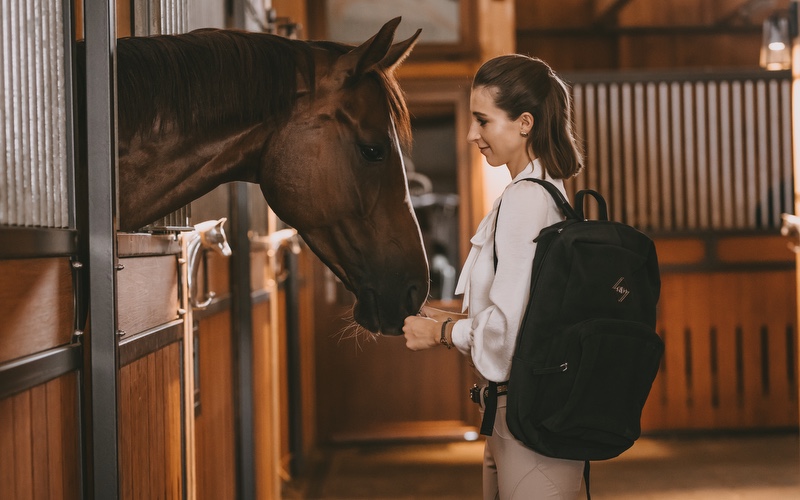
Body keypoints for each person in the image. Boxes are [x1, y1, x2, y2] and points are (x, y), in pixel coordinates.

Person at [402, 54, 585, 499]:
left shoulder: (525, 199)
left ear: (525, 123)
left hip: (524, 414)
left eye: (482, 121)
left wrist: (441, 333)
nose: (470, 134)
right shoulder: (545, 193)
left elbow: (508, 334)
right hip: (518, 413)